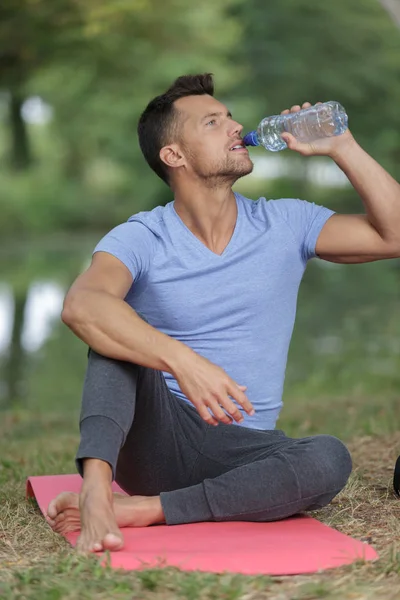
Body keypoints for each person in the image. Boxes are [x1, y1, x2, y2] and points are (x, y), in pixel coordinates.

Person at [46, 74, 400, 553]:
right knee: (114, 336)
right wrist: (183, 361)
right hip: (159, 437)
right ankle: (95, 487)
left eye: (231, 116)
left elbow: (393, 236)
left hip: (246, 448)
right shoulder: (143, 236)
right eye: (213, 122)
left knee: (328, 458)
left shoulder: (287, 221)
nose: (235, 127)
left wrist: (343, 146)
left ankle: (147, 509)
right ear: (175, 156)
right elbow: (81, 305)